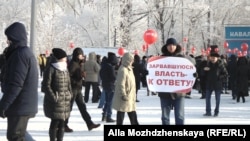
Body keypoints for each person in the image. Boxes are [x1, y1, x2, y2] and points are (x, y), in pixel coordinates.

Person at [0, 22, 39, 141]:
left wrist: (3, 105)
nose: (7, 41)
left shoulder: (20, 55)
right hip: (21, 104)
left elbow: (16, 84)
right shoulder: (21, 53)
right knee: (19, 135)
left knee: (15, 136)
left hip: (20, 104)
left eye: (9, 38)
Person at [66, 47, 100, 132]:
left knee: (82, 107)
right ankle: (63, 125)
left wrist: (82, 79)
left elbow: (77, 76)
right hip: (73, 89)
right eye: (81, 55)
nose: (83, 57)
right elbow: (68, 78)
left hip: (78, 89)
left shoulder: (79, 64)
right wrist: (79, 77)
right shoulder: (73, 64)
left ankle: (89, 123)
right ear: (77, 55)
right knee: (69, 108)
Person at [42, 48, 72, 141]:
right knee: (55, 121)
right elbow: (46, 86)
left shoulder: (65, 69)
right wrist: (54, 97)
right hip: (55, 101)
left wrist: (69, 94)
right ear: (59, 58)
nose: (66, 59)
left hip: (65, 101)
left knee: (63, 122)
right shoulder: (51, 69)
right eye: (64, 57)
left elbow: (68, 84)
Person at [157, 38, 186, 125]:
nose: (171, 47)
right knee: (165, 117)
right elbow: (156, 71)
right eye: (169, 45)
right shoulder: (160, 59)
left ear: (176, 46)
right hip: (165, 92)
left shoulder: (182, 59)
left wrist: (193, 74)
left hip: (179, 92)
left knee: (180, 116)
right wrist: (150, 73)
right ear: (166, 46)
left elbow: (188, 71)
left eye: (173, 45)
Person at [112, 52, 139, 125]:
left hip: (129, 96)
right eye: (131, 60)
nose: (133, 61)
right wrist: (123, 94)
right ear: (128, 60)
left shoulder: (129, 69)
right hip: (124, 97)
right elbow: (121, 83)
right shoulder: (123, 70)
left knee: (131, 114)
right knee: (122, 114)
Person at [203, 51, 228, 117]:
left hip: (217, 84)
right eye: (212, 57)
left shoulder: (220, 65)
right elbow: (203, 74)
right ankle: (208, 111)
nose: (213, 59)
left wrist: (219, 77)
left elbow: (225, 74)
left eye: (214, 57)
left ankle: (216, 111)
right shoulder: (208, 64)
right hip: (209, 83)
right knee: (207, 98)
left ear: (217, 58)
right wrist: (204, 70)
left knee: (217, 99)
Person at [99, 52, 118, 122]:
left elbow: (100, 74)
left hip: (105, 84)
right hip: (111, 85)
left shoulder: (103, 65)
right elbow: (113, 77)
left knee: (107, 101)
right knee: (110, 102)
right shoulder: (110, 67)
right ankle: (108, 116)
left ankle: (104, 114)